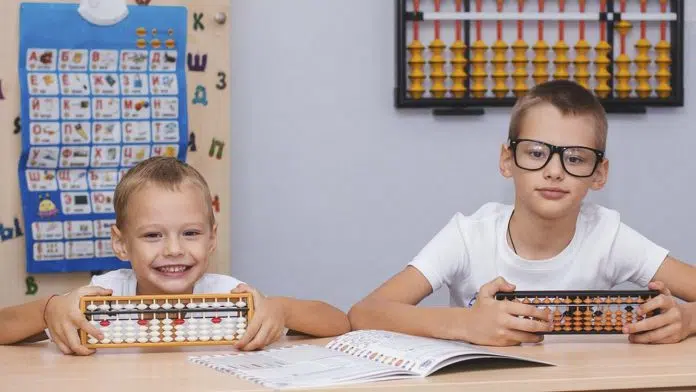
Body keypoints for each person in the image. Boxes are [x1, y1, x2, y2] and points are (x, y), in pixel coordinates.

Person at [348, 80, 696, 346]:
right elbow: (365, 313)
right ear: (506, 160)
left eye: (575, 158)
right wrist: (466, 324)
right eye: (535, 153)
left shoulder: (607, 235)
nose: (554, 171)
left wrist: (688, 319)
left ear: (599, 174)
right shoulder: (468, 236)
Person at [5, 156, 350, 355]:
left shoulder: (230, 295)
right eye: (153, 235)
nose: (174, 249)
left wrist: (283, 309)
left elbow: (338, 323)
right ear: (121, 243)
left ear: (212, 238)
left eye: (191, 233)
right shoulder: (102, 297)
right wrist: (49, 309)